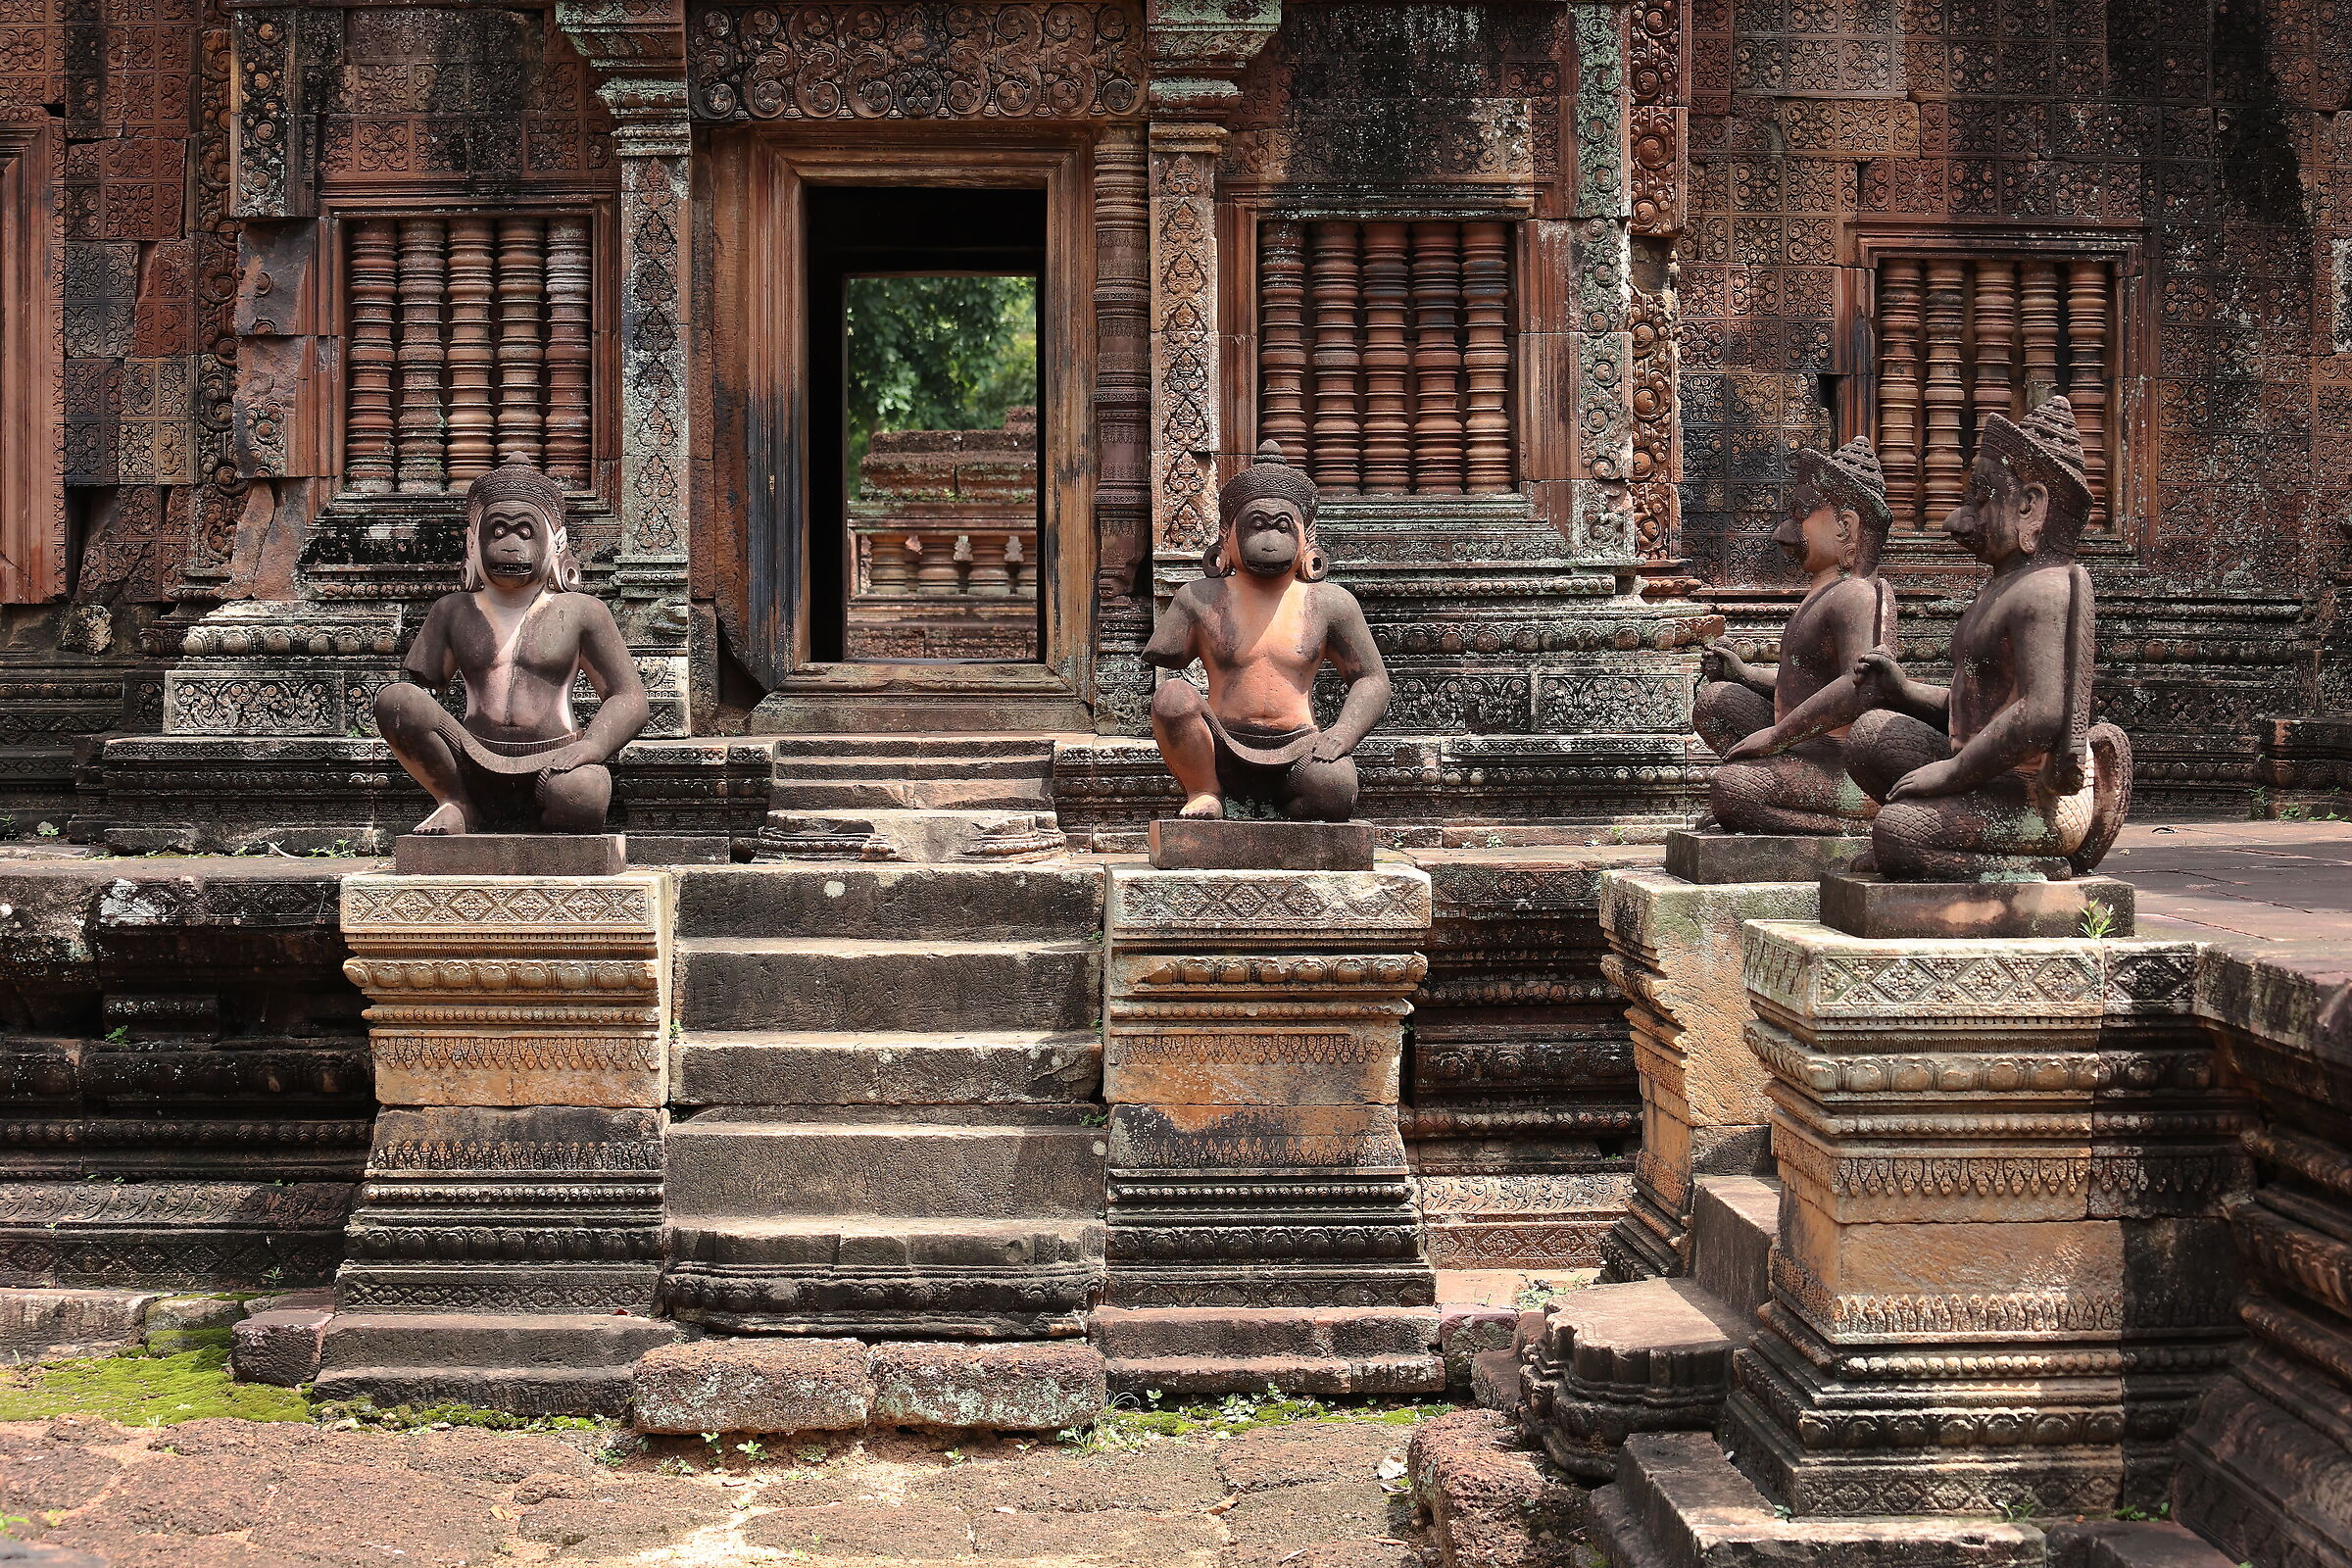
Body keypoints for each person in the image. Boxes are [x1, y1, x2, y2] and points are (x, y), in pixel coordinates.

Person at [1843, 396, 2132, 880]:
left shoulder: (2045, 588)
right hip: (1987, 773)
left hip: (2029, 795)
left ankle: (2033, 866)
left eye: (1980, 498)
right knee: (1870, 735)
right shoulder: (2003, 585)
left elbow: (2042, 714)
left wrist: (1951, 774)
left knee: (1897, 830)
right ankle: (1935, 847)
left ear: (2029, 507)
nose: (1960, 519)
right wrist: (1903, 690)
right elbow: (1977, 705)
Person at [373, 465, 650, 835]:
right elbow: (422, 693)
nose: (510, 544)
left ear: (556, 541)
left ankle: (543, 824)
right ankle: (458, 803)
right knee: (397, 701)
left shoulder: (583, 611)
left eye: (525, 531)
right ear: (473, 542)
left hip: (555, 760)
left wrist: (594, 747)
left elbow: (630, 697)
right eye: (498, 530)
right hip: (471, 756)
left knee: (584, 793)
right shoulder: (453, 611)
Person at [1144, 443, 1390, 822]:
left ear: (1306, 539)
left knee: (1336, 788)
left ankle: (1276, 819)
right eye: (1256, 525)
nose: (1270, 539)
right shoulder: (1199, 597)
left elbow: (1372, 679)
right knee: (1173, 696)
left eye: (1282, 526)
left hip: (1299, 747)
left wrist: (1343, 732)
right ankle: (1205, 793)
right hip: (1220, 744)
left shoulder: (1330, 603)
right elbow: (1164, 654)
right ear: (1226, 537)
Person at [1696, 437, 1896, 835]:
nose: (1783, 532)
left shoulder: (1857, 594)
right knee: (1715, 701)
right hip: (1806, 745)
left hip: (1843, 764)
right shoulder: (1827, 590)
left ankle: (1852, 824)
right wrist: (1744, 674)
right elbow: (1807, 688)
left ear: (1846, 526)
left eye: (1801, 514)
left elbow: (1858, 687)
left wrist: (1775, 736)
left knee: (1730, 788)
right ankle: (1760, 800)